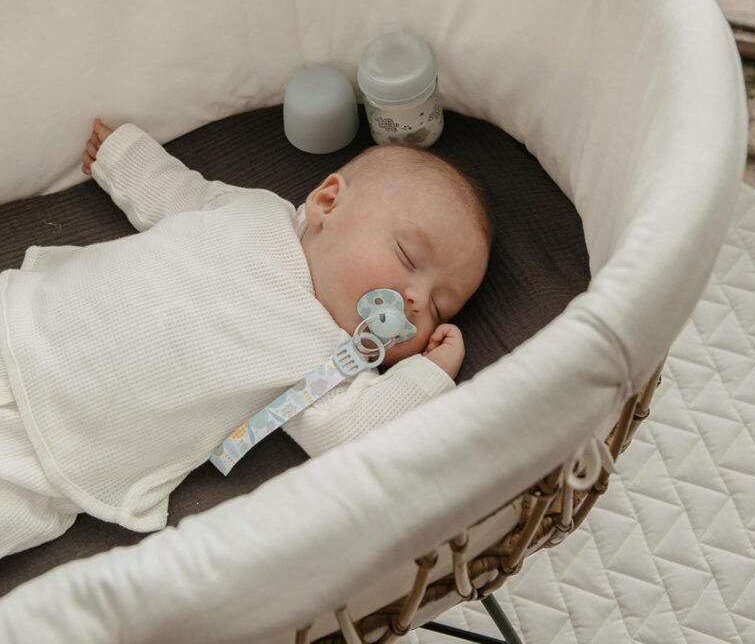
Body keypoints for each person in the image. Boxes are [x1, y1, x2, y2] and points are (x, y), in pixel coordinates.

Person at [0, 118, 492, 558]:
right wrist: (123, 157)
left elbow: (353, 431)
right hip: (23, 321)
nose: (415, 301)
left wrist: (427, 375)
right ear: (327, 202)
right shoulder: (257, 212)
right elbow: (178, 194)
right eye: (408, 257)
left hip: (45, 462)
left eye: (438, 307)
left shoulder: (333, 363)